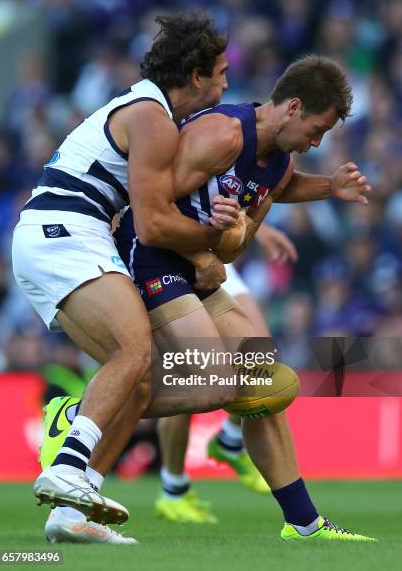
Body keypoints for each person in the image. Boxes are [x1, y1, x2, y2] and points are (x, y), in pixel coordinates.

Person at [41, 56, 376, 542]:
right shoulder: (221, 134)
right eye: (317, 129)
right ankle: (75, 415)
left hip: (197, 271)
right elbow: (149, 204)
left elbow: (234, 248)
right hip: (152, 259)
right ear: (294, 107)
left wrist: (319, 193)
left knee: (263, 374)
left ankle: (304, 523)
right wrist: (201, 246)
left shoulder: (279, 166)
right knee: (215, 380)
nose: (317, 142)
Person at [11, 11, 240, 528]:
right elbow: (155, 226)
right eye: (221, 70)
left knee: (159, 381)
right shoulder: (151, 116)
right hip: (64, 231)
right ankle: (71, 436)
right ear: (197, 74)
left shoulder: (153, 113)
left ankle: (72, 512)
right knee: (132, 351)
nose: (227, 81)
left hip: (63, 235)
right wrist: (212, 244)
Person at [156, 230, 298, 524]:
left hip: (214, 259)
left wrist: (259, 228)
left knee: (262, 361)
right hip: (169, 259)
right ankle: (174, 490)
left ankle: (230, 441)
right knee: (188, 373)